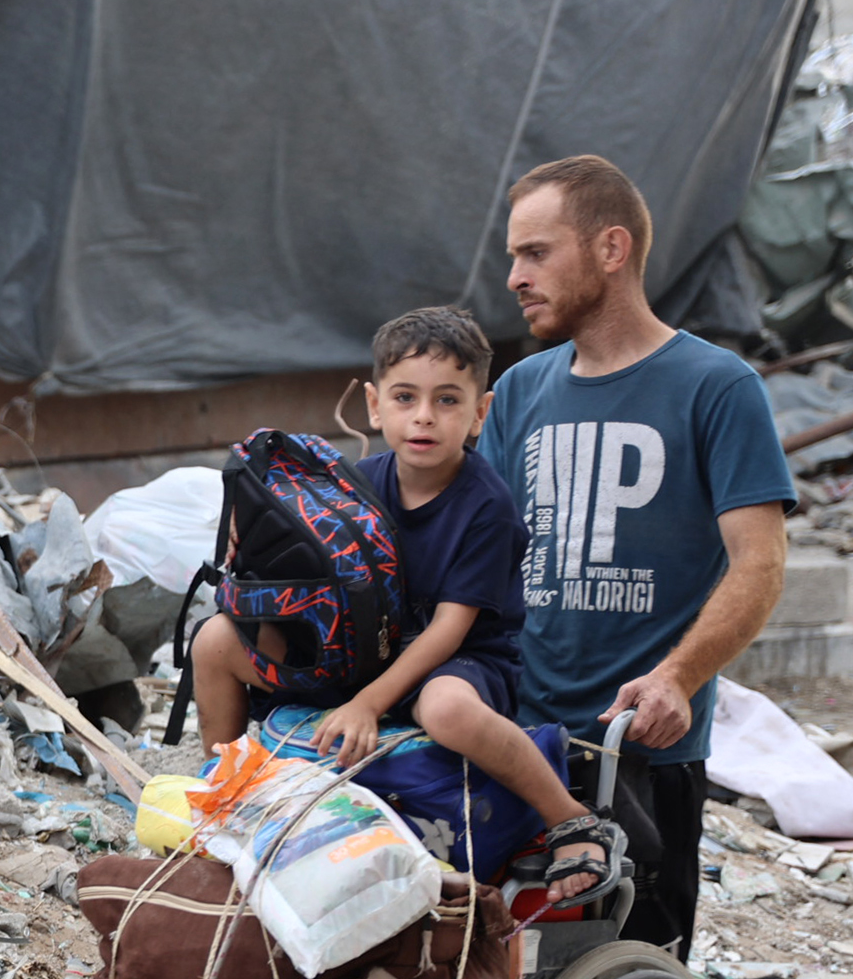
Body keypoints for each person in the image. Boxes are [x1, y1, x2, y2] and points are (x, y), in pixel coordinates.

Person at [473, 153, 795, 979]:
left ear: (609, 249)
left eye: (534, 251)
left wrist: (676, 676)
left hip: (635, 753)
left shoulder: (713, 387)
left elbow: (757, 564)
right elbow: (475, 550)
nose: (513, 275)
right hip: (514, 744)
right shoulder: (521, 393)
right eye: (512, 254)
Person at [188, 306, 616, 906]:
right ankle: (228, 794)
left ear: (480, 413)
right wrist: (250, 536)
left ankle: (568, 816)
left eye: (447, 400)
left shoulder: (486, 507)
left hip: (460, 662)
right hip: (360, 650)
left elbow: (449, 629)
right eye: (405, 397)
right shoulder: (354, 484)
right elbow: (303, 570)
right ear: (375, 404)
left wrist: (367, 703)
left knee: (445, 710)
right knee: (214, 640)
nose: (424, 416)